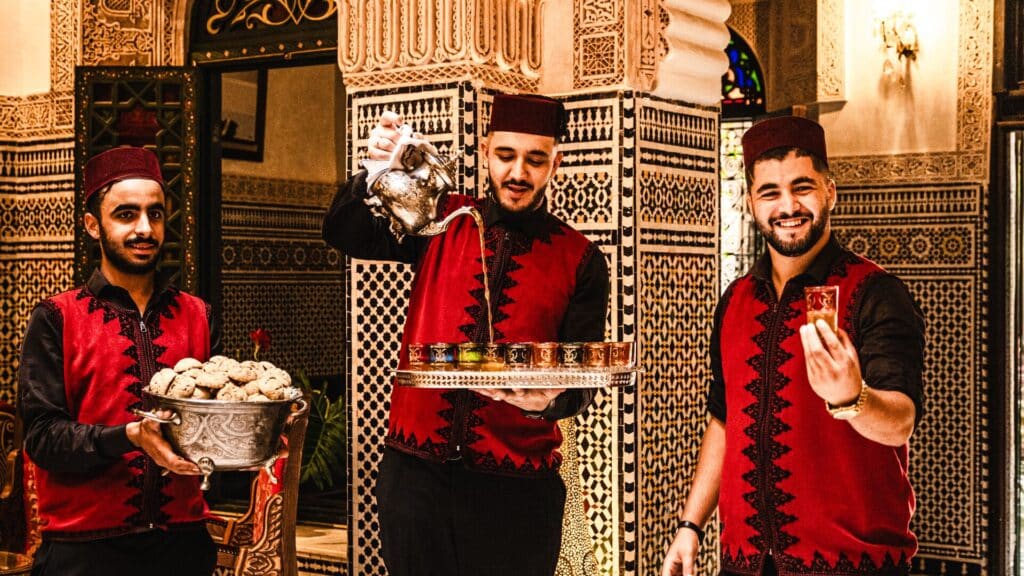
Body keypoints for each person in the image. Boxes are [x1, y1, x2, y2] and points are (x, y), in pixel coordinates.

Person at [323, 93, 610, 575]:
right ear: (485, 151)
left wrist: (551, 401)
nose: (518, 173)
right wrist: (374, 172)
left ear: (554, 163)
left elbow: (582, 376)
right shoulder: (440, 219)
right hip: (415, 479)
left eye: (535, 159)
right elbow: (344, 232)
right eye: (506, 155)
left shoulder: (580, 258)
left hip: (516, 493)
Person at [661, 116, 925, 576]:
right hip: (745, 562)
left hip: (854, 564)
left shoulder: (876, 292)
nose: (788, 205)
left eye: (802, 187)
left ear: (830, 191)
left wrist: (852, 398)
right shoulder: (736, 300)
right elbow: (724, 421)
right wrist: (691, 525)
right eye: (770, 193)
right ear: (751, 203)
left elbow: (900, 422)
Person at [19, 147, 219, 576]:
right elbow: (41, 439)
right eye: (126, 215)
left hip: (182, 547)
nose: (144, 228)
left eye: (156, 214)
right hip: (85, 552)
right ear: (93, 225)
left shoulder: (197, 315)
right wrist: (128, 436)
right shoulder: (57, 317)